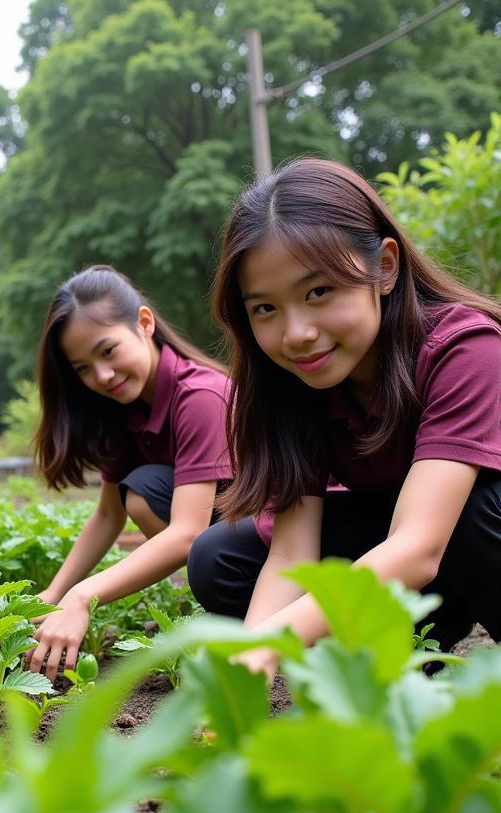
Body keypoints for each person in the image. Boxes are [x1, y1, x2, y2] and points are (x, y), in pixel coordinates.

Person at [187, 157, 501, 676]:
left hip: (469, 543)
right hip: (421, 564)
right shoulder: (294, 383)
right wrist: (248, 661)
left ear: (384, 268)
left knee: (475, 511)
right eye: (265, 308)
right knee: (221, 558)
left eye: (318, 292)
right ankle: (400, 657)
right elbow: (292, 554)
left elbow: (419, 546)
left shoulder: (464, 347)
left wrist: (273, 640)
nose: (297, 333)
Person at [27, 265, 231, 680]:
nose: (101, 376)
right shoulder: (125, 408)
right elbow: (107, 516)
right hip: (229, 531)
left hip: (284, 537)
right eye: (82, 368)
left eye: (108, 351)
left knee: (144, 494)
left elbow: (188, 532)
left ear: (144, 323)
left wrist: (84, 597)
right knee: (140, 490)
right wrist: (55, 594)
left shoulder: (200, 396)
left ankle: (239, 603)